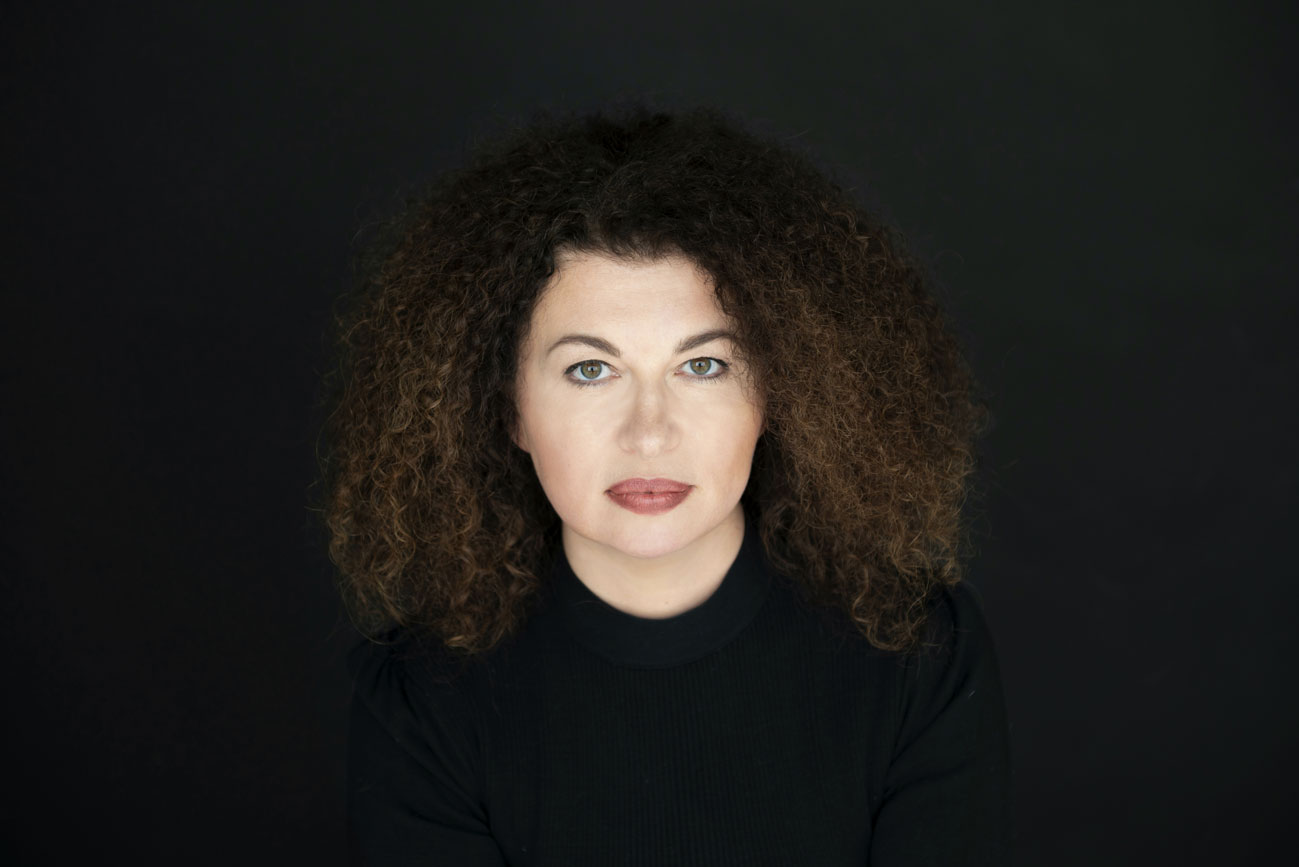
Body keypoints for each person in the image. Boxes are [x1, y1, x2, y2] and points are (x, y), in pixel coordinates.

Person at [316, 104, 1012, 865]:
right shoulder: (420, 704)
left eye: (702, 365)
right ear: (508, 409)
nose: (649, 433)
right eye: (591, 369)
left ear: (780, 393)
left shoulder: (919, 657)